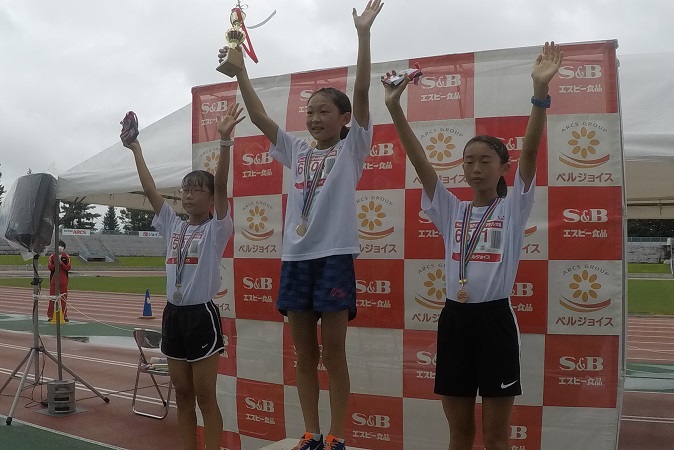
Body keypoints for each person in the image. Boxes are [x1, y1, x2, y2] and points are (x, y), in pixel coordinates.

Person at [218, 2, 383, 448]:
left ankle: (337, 435)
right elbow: (259, 118)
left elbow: (364, 92)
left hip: (333, 257)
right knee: (304, 355)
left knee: (334, 352)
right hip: (294, 259)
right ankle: (311, 432)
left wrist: (363, 35)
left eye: (324, 111)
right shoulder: (299, 152)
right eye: (310, 111)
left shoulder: (353, 150)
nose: (314, 118)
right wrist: (240, 74)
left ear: (344, 119)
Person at [383, 42, 563, 450]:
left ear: (503, 168)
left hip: (496, 322)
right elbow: (419, 160)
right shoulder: (450, 209)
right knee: (459, 435)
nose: (476, 168)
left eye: (486, 160)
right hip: (455, 321)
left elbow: (531, 150)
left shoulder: (513, 206)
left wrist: (539, 92)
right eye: (468, 161)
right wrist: (394, 107)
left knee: (496, 438)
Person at [124, 103, 243, 450]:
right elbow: (150, 190)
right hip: (173, 315)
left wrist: (224, 143)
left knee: (206, 397)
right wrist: (136, 149)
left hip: (201, 315)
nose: (188, 194)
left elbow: (221, 185)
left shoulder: (217, 228)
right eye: (185, 189)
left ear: (210, 198)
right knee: (183, 394)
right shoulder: (173, 225)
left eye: (196, 189)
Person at [47, 239, 71, 322]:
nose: (60, 247)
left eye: (61, 246)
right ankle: (50, 315)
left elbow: (68, 268)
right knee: (52, 298)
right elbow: (50, 267)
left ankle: (65, 315)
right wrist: (56, 263)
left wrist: (61, 262)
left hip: (63, 280)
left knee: (63, 299)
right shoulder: (52, 256)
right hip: (54, 280)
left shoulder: (66, 256)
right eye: (58, 246)